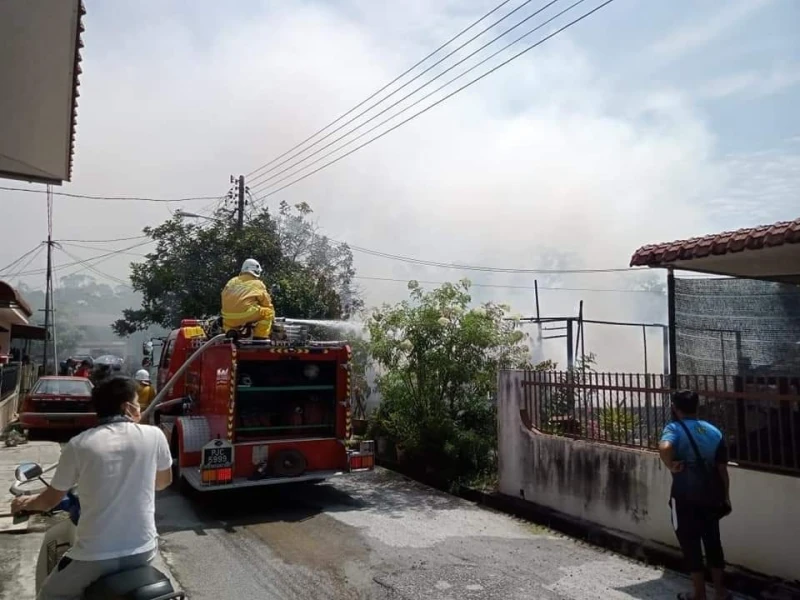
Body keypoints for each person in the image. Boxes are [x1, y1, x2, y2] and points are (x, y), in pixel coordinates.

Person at [11, 377, 173, 600]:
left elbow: (49, 501)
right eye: (137, 403)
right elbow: (163, 482)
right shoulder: (154, 436)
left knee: (48, 595)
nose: (140, 408)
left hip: (95, 556)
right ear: (127, 407)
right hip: (144, 550)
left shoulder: (80, 444)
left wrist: (25, 503)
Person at [659, 390, 732, 600]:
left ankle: (699, 594)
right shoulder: (713, 431)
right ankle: (720, 592)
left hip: (684, 496)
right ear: (697, 406)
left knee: (690, 543)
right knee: (713, 542)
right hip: (711, 496)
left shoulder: (674, 428)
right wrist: (726, 497)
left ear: (675, 408)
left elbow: (665, 447)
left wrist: (670, 464)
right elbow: (722, 469)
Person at [221, 258, 275, 340]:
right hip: (246, 314)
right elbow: (266, 303)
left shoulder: (231, 281)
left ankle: (231, 331)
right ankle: (260, 337)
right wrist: (273, 317)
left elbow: (223, 295)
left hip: (227, 316)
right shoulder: (258, 283)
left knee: (229, 323)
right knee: (268, 313)